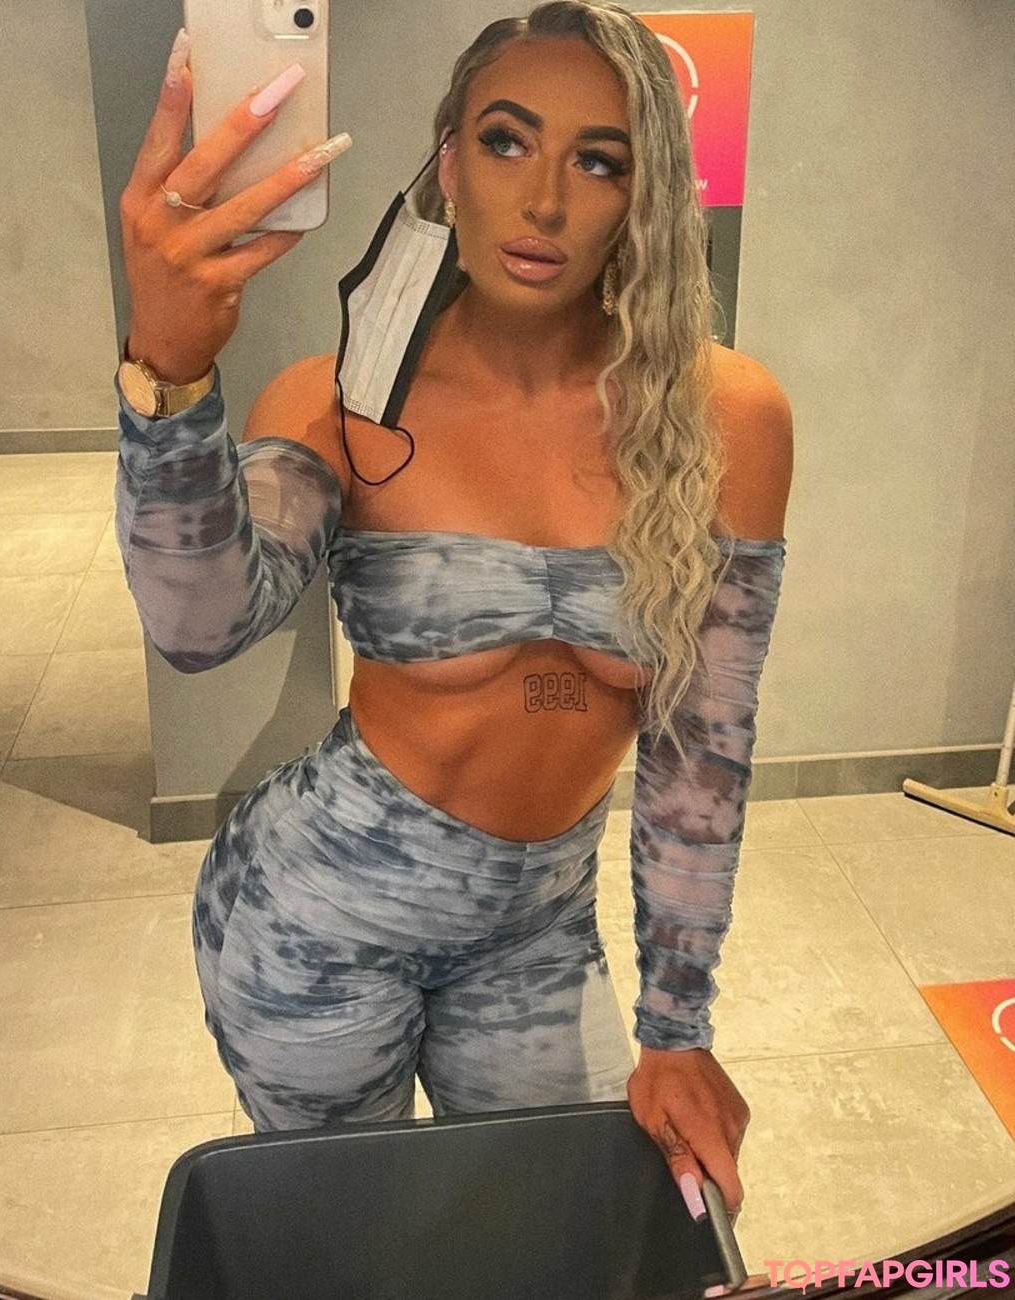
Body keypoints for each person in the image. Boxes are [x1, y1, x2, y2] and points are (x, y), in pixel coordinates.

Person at [115, 1, 792, 1227]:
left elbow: (703, 752)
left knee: (550, 1233)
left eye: (600, 160)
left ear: (645, 195)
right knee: (358, 1244)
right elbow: (198, 623)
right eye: (506, 141)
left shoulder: (727, 419)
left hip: (539, 931)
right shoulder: (340, 400)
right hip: (315, 918)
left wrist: (678, 1023)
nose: (546, 200)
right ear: (448, 162)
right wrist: (168, 378)